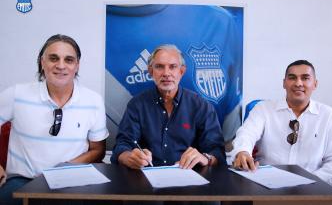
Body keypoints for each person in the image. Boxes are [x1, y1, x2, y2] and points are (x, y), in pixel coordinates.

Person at [0, 34, 109, 204]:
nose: (61, 65)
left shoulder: (93, 101)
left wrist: (64, 168)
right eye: (53, 58)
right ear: (42, 62)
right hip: (22, 181)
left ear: (77, 66)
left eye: (69, 60)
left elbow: (98, 150)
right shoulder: (16, 94)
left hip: (71, 181)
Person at [229, 60, 332, 186]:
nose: (298, 83)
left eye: (305, 78)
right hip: (266, 184)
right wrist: (242, 151)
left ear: (315, 84)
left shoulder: (329, 116)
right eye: (292, 78)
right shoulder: (263, 109)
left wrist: (310, 180)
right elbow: (246, 134)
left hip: (314, 186)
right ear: (284, 83)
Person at [111, 44, 226, 169]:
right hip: (146, 179)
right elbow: (121, 146)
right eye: (159, 67)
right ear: (151, 72)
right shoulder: (137, 105)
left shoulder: (200, 106)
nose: (166, 73)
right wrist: (128, 157)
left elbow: (217, 153)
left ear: (181, 71)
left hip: (189, 179)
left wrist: (205, 158)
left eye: (173, 67)